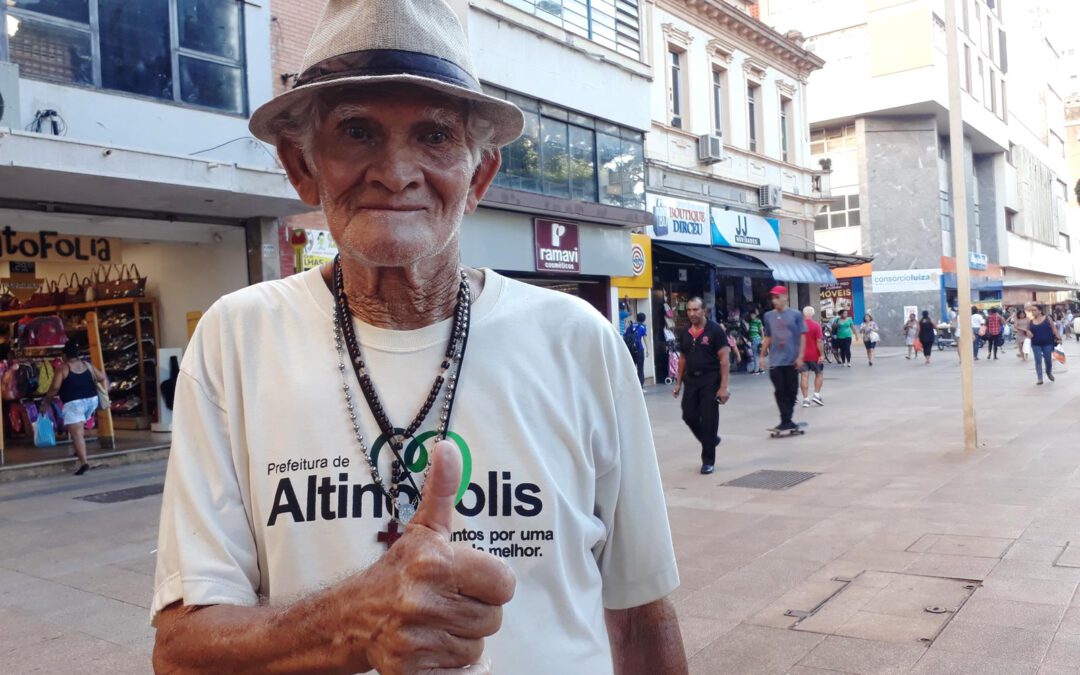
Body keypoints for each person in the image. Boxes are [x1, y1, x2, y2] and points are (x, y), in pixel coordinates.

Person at [150, 3, 686, 673]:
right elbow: (180, 651)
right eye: (356, 131)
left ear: (478, 176)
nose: (396, 171)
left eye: (434, 135)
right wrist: (351, 619)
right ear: (302, 166)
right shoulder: (237, 339)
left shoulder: (580, 341)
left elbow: (640, 615)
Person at [673, 297, 730, 475]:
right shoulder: (685, 332)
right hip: (691, 380)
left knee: (709, 419)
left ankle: (708, 461)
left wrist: (723, 387)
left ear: (704, 311)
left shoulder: (715, 331)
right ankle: (710, 439)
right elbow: (682, 359)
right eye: (689, 310)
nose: (692, 313)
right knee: (688, 415)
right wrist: (678, 383)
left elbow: (724, 360)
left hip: (710, 380)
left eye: (696, 310)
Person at [41, 340, 107, 476]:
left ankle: (84, 462)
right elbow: (101, 377)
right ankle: (79, 450)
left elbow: (54, 387)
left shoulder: (63, 368)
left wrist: (46, 402)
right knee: (79, 429)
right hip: (91, 401)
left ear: (64, 355)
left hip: (74, 403)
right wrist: (105, 391)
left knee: (76, 433)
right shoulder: (87, 365)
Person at [761, 286, 806, 432]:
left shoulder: (796, 315)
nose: (774, 301)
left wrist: (800, 356)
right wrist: (762, 355)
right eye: (773, 298)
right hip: (776, 360)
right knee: (779, 390)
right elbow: (768, 336)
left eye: (777, 297)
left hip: (792, 360)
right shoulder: (768, 316)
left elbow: (802, 335)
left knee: (792, 390)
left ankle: (787, 419)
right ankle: (785, 420)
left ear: (785, 297)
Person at [800, 306, 825, 407]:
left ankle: (806, 399)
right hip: (814, 355)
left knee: (804, 376)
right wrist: (822, 354)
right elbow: (819, 341)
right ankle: (816, 394)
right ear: (813, 314)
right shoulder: (816, 325)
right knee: (819, 373)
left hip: (801, 355)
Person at [1029, 304, 1061, 385]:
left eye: (1034, 310)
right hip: (1036, 344)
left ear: (1040, 311)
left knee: (1048, 360)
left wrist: (1058, 337)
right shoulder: (1031, 321)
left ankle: (1048, 372)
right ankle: (1040, 378)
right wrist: (1028, 333)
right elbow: (1028, 332)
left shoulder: (1047, 318)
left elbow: (1054, 328)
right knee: (1038, 360)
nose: (1033, 312)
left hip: (1047, 343)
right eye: (1032, 310)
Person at [624, 312, 648, 391]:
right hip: (639, 350)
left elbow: (625, 335)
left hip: (630, 350)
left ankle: (630, 386)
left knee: (631, 368)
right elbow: (644, 338)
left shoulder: (631, 326)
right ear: (644, 319)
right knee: (640, 369)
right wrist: (647, 349)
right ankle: (640, 387)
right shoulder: (643, 327)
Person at [747, 308, 764, 374]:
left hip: (756, 339)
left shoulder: (758, 321)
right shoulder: (751, 322)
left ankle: (757, 369)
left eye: (752, 315)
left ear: (755, 315)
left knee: (756, 354)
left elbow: (762, 330)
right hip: (754, 340)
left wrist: (762, 340)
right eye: (751, 315)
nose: (751, 316)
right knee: (757, 354)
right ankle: (760, 369)